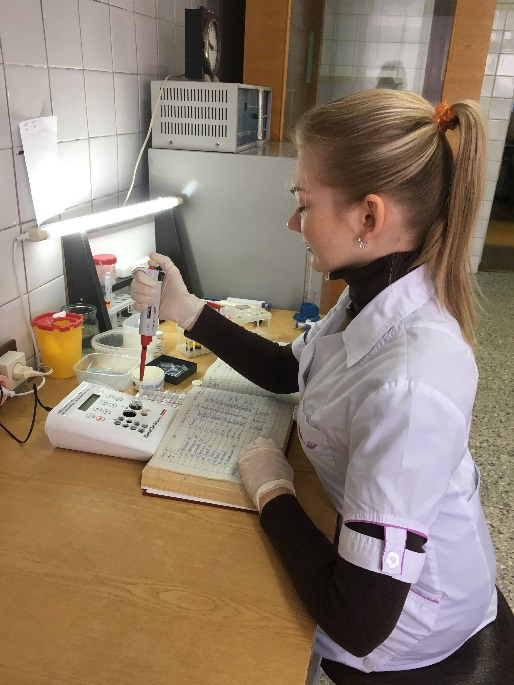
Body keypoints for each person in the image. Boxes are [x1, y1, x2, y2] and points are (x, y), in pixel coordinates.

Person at [131, 90, 500, 682]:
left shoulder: (411, 383)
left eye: (304, 204)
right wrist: (187, 309)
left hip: (411, 628)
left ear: (369, 218)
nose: (292, 222)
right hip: (380, 575)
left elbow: (357, 620)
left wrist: (274, 491)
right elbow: (290, 370)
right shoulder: (372, 296)